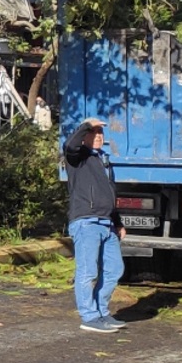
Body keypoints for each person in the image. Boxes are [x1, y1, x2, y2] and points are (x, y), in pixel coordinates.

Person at [64, 118, 126, 334]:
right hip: (86, 222)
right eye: (94, 132)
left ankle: (101, 312)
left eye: (101, 132)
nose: (99, 136)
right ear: (84, 136)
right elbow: (70, 145)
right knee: (88, 271)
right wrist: (85, 126)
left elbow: (111, 194)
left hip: (107, 223)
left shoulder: (104, 161)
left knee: (115, 269)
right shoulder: (77, 158)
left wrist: (117, 222)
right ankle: (89, 316)